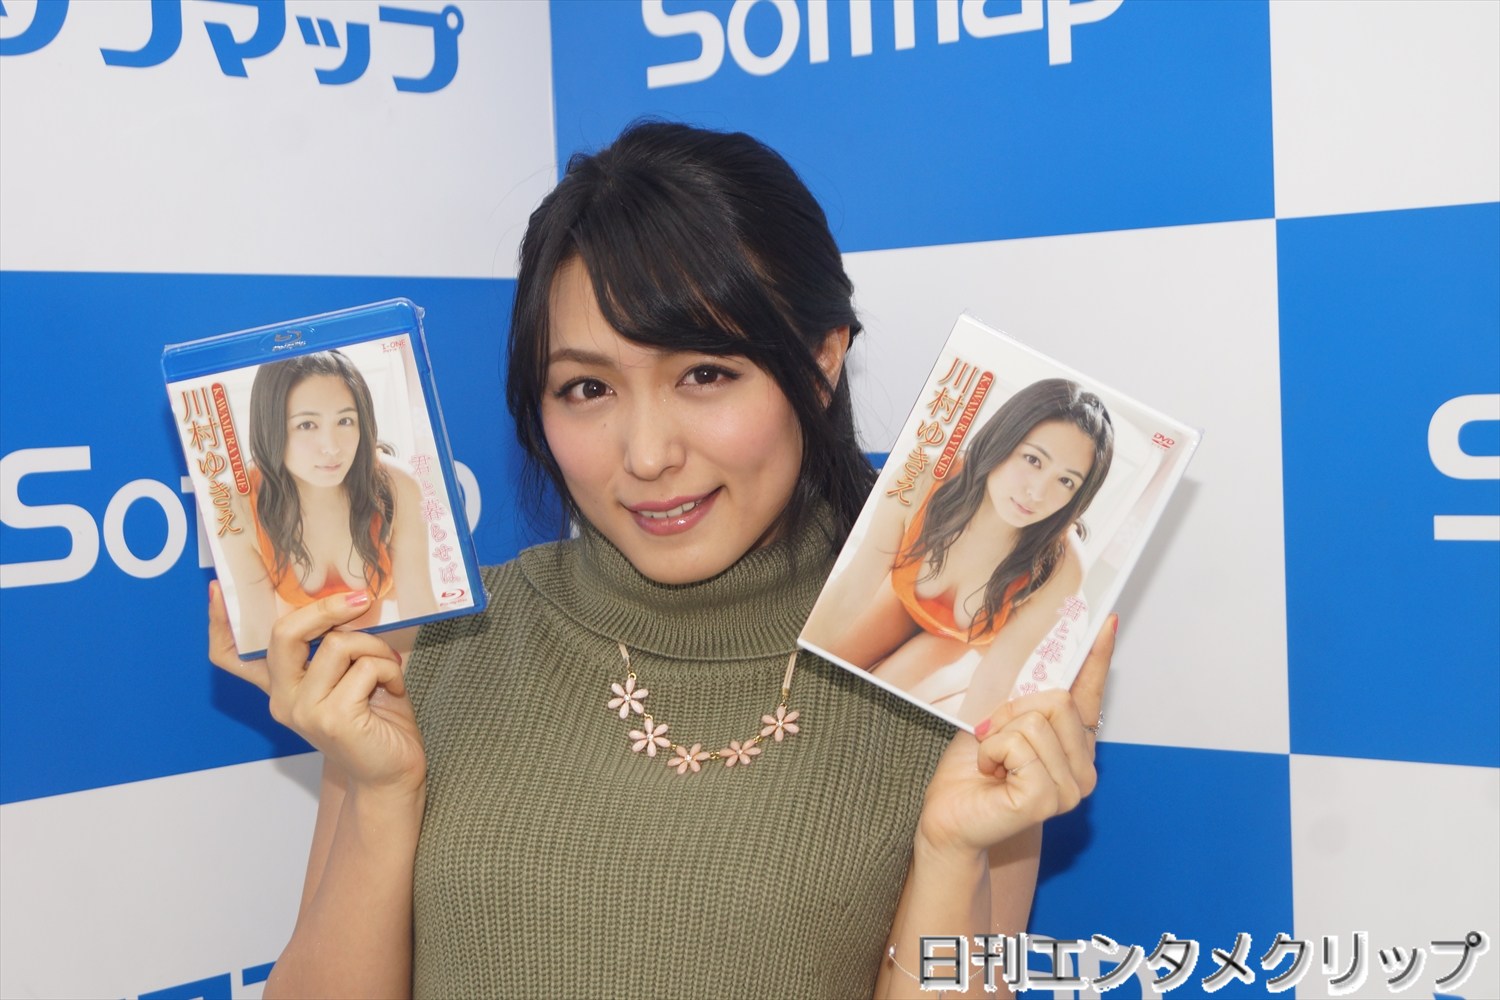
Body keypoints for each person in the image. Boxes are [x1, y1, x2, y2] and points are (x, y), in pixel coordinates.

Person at [208, 121, 1112, 998]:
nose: (646, 455)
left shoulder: (965, 699)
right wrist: (382, 793)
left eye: (704, 374)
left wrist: (951, 850)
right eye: (586, 388)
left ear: (821, 359)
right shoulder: (432, 646)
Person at [803, 379, 1113, 724]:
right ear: (1002, 439)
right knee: (815, 669)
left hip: (968, 643)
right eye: (1033, 459)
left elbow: (997, 675)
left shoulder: (1062, 563)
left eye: (1066, 481)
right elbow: (852, 588)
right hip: (903, 600)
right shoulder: (924, 478)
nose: (1037, 493)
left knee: (869, 706)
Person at [218, 350, 437, 652]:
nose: (331, 447)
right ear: (271, 427)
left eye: (345, 421)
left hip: (384, 659)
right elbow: (258, 633)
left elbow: (421, 619)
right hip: (298, 666)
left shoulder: (398, 487)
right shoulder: (241, 503)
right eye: (307, 425)